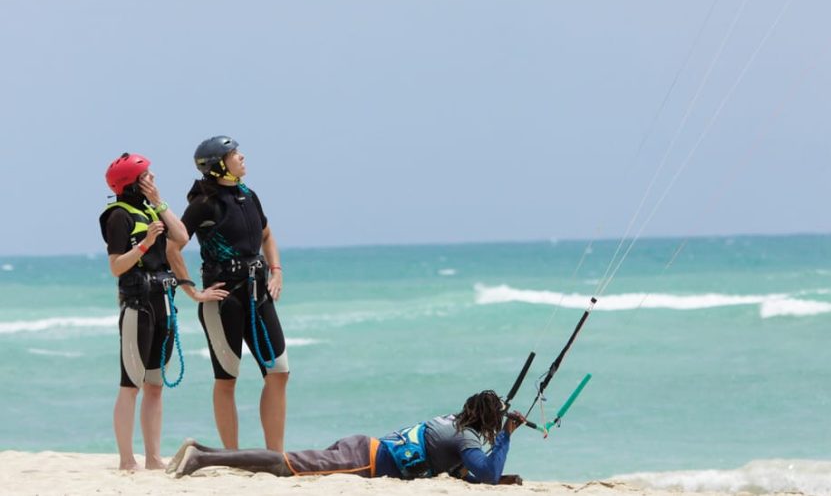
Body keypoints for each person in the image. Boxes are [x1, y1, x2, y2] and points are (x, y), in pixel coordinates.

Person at [166, 135, 290, 452]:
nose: (242, 156)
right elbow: (172, 247)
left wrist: (276, 271)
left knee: (279, 373)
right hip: (224, 301)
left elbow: (267, 235)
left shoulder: (248, 195)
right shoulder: (202, 205)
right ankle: (232, 454)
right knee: (227, 379)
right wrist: (191, 289)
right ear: (219, 164)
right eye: (235, 154)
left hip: (258, 294)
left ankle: (275, 454)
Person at [167, 390, 525, 485]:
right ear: (489, 422)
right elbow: (487, 472)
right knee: (282, 465)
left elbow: (464, 472)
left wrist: (501, 480)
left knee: (284, 465)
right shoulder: (466, 440)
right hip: (361, 460)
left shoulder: (453, 424)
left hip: (362, 446)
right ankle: (202, 459)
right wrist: (507, 437)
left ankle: (204, 449)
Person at [99, 152, 190, 470]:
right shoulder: (119, 216)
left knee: (155, 385)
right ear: (131, 184)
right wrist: (143, 245)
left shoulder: (152, 209)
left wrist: (160, 202)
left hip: (162, 302)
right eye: (147, 176)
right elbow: (115, 267)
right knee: (130, 385)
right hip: (138, 306)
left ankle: (153, 458)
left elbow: (181, 237)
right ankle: (127, 460)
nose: (152, 179)